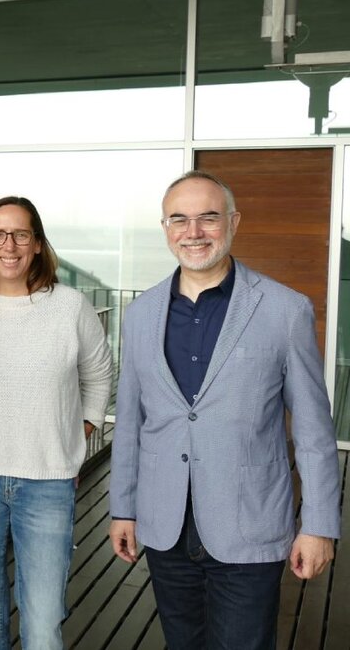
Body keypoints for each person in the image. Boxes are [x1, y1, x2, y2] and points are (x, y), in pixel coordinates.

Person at [109, 170, 340, 650]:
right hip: (164, 524)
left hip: (250, 522)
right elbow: (130, 421)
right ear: (166, 228)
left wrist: (318, 524)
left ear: (232, 222)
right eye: (179, 220)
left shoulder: (284, 309)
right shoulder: (142, 313)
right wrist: (123, 508)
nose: (193, 232)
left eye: (208, 218)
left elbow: (315, 430)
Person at [0, 196, 113, 649]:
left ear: (38, 244)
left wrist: (79, 433)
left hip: (47, 484)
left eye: (21, 234)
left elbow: (99, 375)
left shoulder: (70, 306)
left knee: (43, 627)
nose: (9, 245)